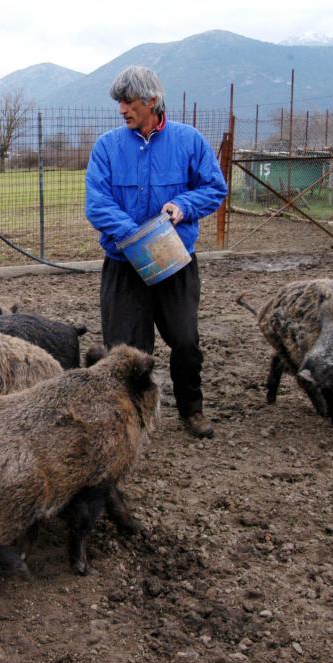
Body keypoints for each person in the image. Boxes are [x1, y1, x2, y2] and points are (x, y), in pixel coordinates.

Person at [85, 65, 227, 438]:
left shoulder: (189, 141)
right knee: (126, 349)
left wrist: (184, 205)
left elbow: (214, 188)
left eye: (128, 101)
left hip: (174, 260)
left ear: (152, 101)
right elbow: (97, 204)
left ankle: (191, 410)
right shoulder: (107, 148)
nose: (122, 109)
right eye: (119, 102)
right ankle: (130, 420)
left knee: (185, 340)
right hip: (124, 264)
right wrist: (137, 237)